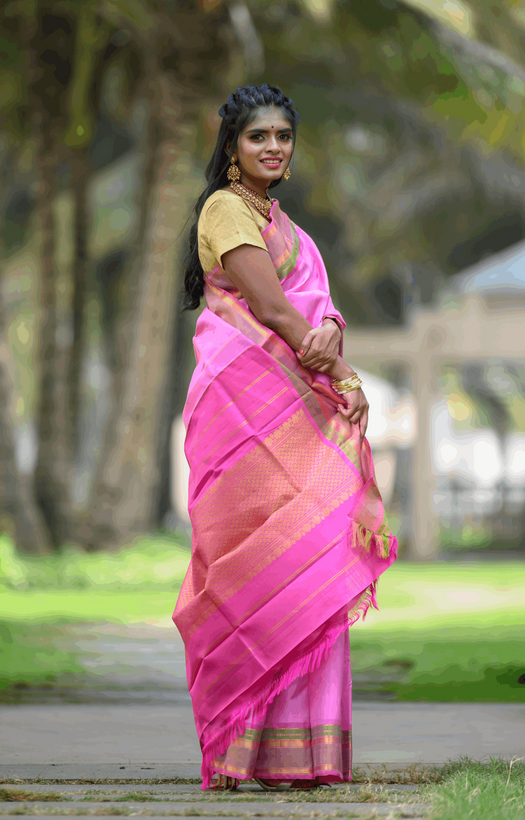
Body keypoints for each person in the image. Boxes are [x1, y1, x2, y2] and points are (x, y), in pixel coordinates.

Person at [173, 84, 397, 792]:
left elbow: (309, 308)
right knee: (250, 571)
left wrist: (331, 336)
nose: (273, 147)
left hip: (296, 413)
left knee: (312, 560)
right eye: (257, 137)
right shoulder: (223, 209)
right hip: (243, 412)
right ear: (231, 149)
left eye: (283, 136)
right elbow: (268, 306)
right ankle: (242, 746)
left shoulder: (285, 225)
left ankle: (302, 752)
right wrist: (342, 372)